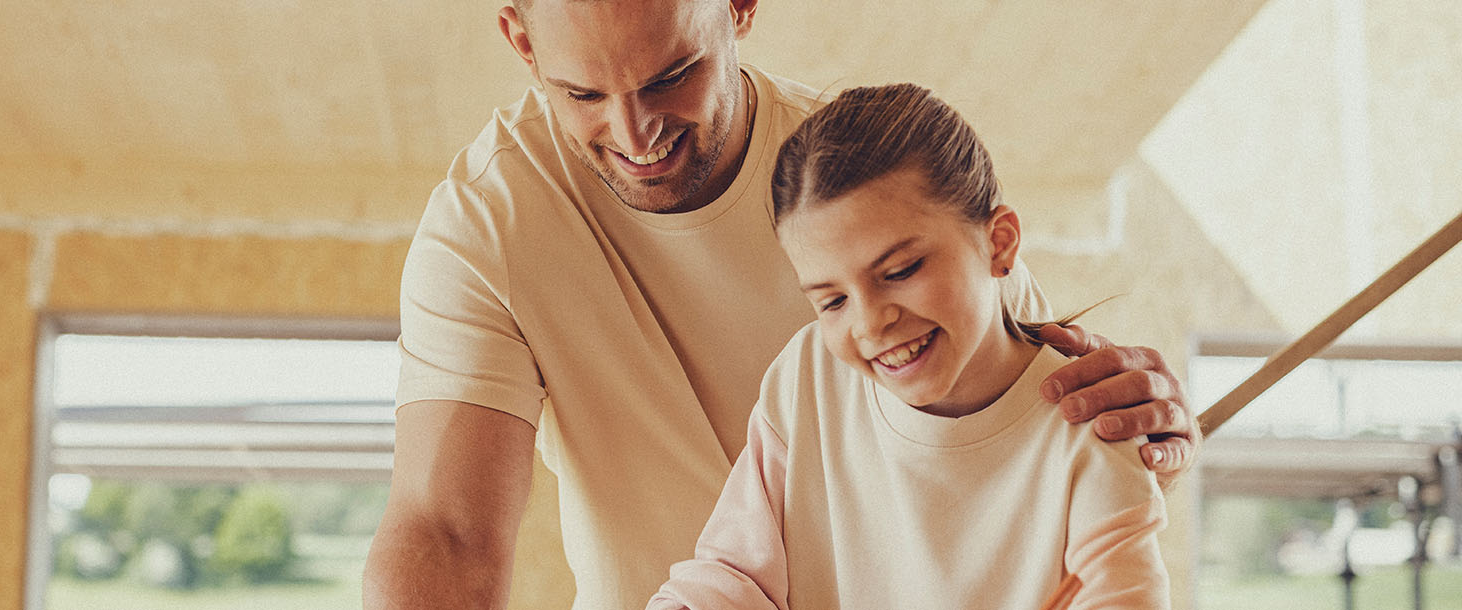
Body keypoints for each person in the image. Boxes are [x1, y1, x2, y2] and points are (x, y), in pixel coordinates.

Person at [364, 2, 1198, 608]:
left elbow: (1017, 419)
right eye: (582, 94)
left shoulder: (858, 181)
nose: (635, 132)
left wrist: (1142, 426)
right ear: (520, 39)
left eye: (672, 75)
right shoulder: (489, 220)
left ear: (738, 7)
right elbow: (446, 536)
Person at [647, 83, 1169, 610]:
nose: (871, 323)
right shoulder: (809, 377)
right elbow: (728, 579)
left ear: (999, 243)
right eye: (832, 302)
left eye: (900, 270)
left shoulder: (1092, 428)